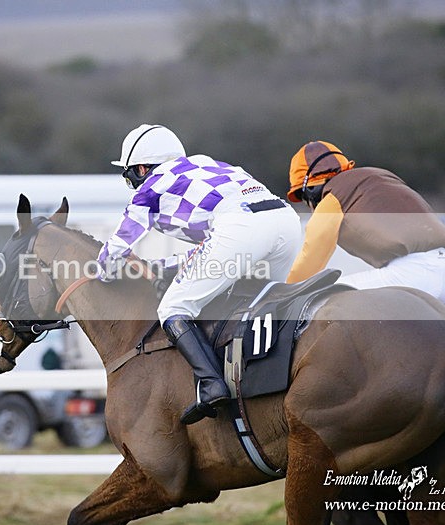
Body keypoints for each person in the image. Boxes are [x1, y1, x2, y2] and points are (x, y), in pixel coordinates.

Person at [99, 124, 301, 424]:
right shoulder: (207, 164)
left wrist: (99, 269)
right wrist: (164, 266)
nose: (133, 184)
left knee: (172, 308)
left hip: (241, 229)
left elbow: (117, 246)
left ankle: (211, 385)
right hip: (286, 222)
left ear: (141, 168)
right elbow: (214, 249)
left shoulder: (150, 186)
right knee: (252, 305)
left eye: (130, 176)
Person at [285, 140, 445, 304]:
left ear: (310, 188)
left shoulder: (333, 197)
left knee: (318, 302)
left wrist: (286, 294)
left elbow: (312, 256)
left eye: (302, 196)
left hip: (412, 276)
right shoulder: (381, 175)